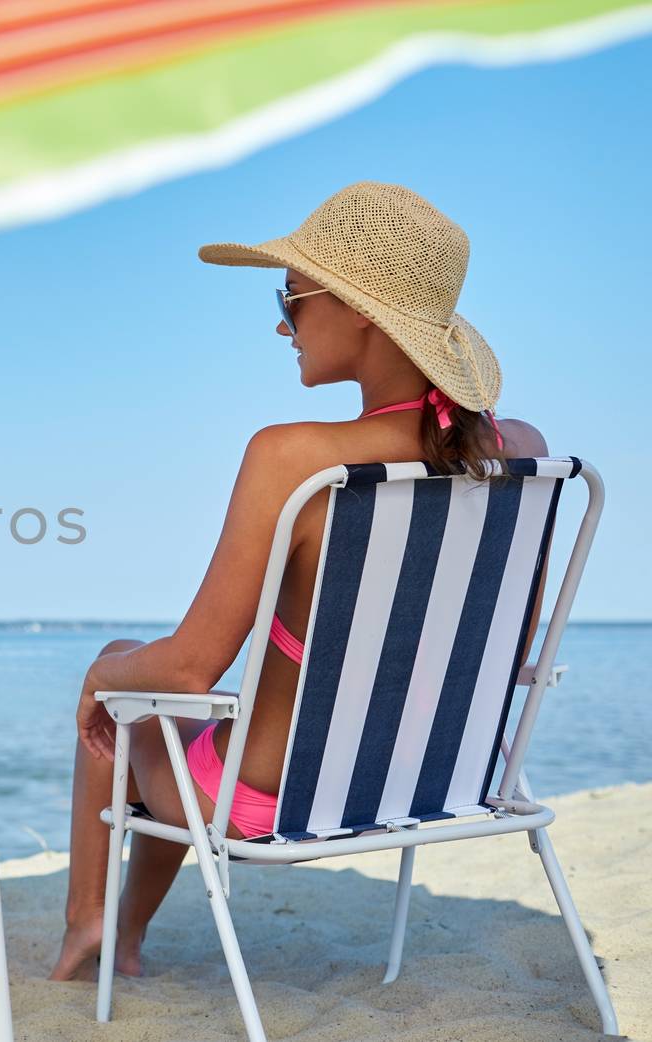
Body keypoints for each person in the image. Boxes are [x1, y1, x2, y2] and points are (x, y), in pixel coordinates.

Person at [50, 182, 547, 981]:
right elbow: (511, 643)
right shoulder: (516, 450)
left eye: (292, 296)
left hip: (272, 804)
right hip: (431, 785)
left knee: (126, 681)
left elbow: (187, 670)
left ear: (358, 310)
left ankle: (91, 924)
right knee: (159, 707)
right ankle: (117, 930)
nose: (283, 323)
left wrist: (101, 675)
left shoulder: (295, 458)